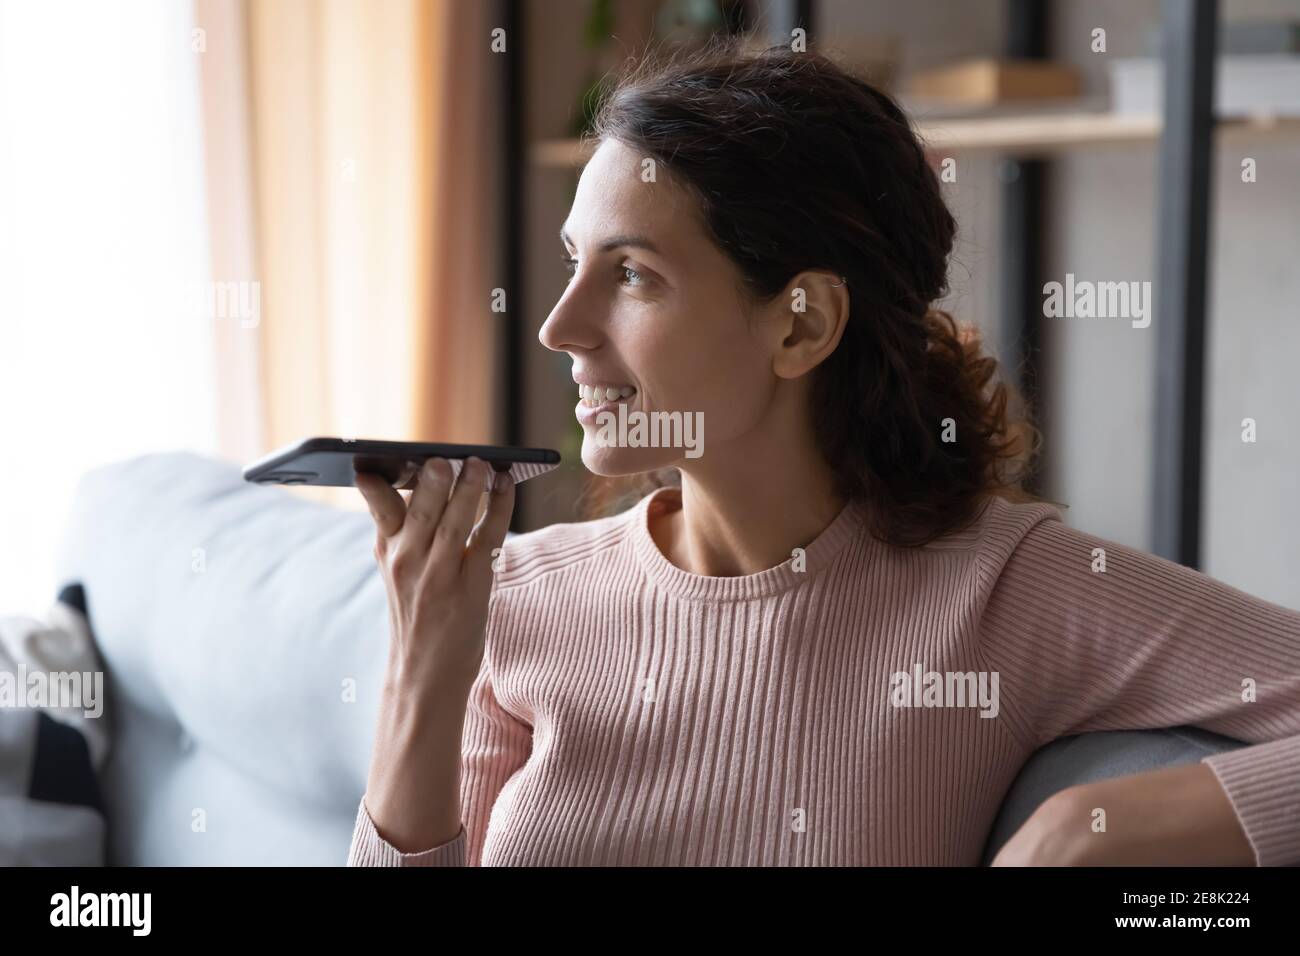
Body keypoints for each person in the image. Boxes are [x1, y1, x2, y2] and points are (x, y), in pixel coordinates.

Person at [347, 40, 1300, 866]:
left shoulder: (1002, 589)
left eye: (632, 274)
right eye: (572, 262)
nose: (559, 326)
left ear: (802, 325)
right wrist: (423, 681)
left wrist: (1098, 824)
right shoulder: (516, 597)